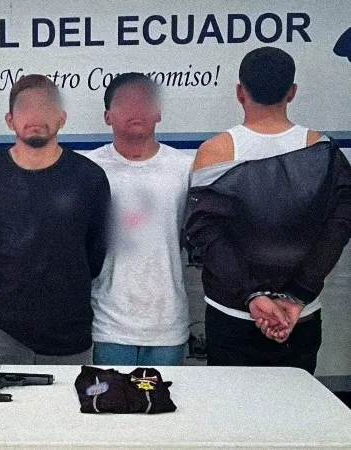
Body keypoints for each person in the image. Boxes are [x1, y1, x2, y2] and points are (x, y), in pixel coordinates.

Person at [185, 46, 351, 374]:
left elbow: (208, 237)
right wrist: (296, 296)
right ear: (292, 92)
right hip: (298, 316)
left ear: (239, 92)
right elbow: (337, 232)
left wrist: (253, 297)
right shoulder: (325, 152)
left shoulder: (216, 152)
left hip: (232, 314)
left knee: (231, 405)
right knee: (294, 403)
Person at [0, 74, 111, 364]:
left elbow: (95, 253)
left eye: (46, 107)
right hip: (0, 331)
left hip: (69, 333)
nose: (36, 116)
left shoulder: (89, 178)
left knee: (70, 397)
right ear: (9, 120)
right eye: (26, 108)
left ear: (62, 117)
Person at [87, 73, 191, 366]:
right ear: (107, 116)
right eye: (125, 103)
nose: (136, 109)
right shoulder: (88, 170)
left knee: (166, 397)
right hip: (107, 323)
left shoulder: (185, 168)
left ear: (158, 113)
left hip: (167, 324)